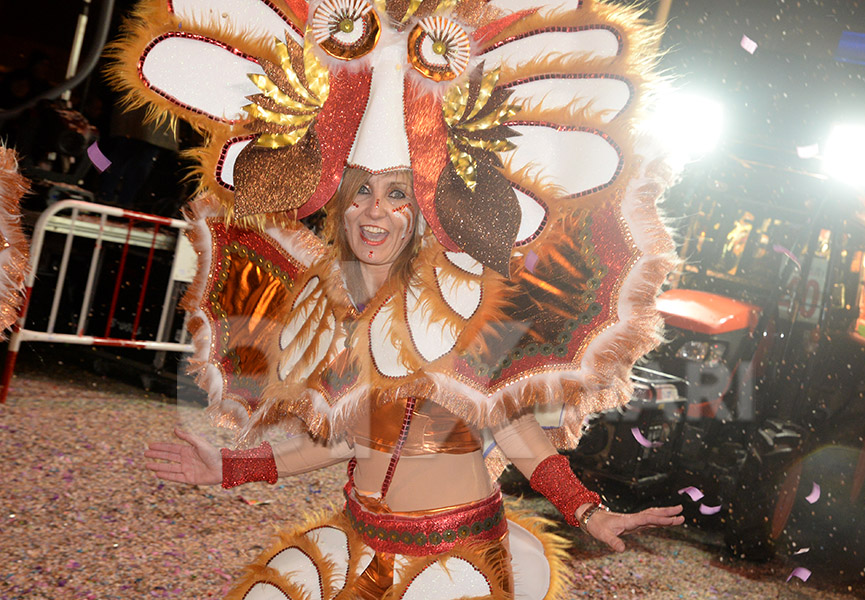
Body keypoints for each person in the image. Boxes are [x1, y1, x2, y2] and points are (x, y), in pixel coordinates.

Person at [146, 167, 684, 599]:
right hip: (363, 538)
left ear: (420, 216)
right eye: (361, 191)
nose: (374, 207)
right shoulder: (332, 310)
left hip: (455, 557)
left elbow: (515, 432)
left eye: (396, 192)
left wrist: (587, 512)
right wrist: (228, 468)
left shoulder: (463, 305)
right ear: (342, 209)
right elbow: (341, 439)